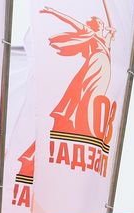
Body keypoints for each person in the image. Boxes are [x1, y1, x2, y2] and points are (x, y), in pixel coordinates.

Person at [40, 7, 114, 139]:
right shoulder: (89, 32)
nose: (100, 24)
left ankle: (89, 124)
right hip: (95, 63)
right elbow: (71, 21)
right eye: (97, 22)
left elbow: (112, 33)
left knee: (96, 94)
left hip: (105, 68)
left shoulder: (105, 39)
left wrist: (111, 31)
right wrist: (53, 11)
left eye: (101, 22)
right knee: (84, 91)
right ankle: (76, 119)